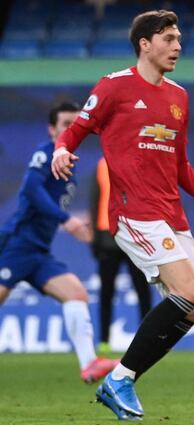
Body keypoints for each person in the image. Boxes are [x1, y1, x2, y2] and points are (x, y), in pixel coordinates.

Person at [51, 10, 194, 421]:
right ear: (145, 44)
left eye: (179, 38)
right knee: (189, 292)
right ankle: (121, 379)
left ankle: (122, 378)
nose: (177, 45)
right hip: (134, 212)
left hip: (172, 214)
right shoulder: (115, 86)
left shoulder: (179, 97)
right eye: (169, 38)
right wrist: (62, 150)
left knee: (193, 308)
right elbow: (77, 129)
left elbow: (179, 161)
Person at [0, 102, 118, 383]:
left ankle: (89, 363)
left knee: (76, 294)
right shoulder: (45, 153)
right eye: (65, 124)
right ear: (52, 129)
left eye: (76, 125)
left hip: (39, 251)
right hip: (18, 245)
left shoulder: (68, 163)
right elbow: (30, 187)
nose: (71, 130)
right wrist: (66, 219)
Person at [90, 157, 153, 353]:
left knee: (142, 289)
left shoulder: (140, 161)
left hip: (135, 236)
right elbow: (95, 201)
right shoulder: (101, 165)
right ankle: (104, 341)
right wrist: (94, 238)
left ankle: (148, 340)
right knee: (106, 292)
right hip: (108, 237)